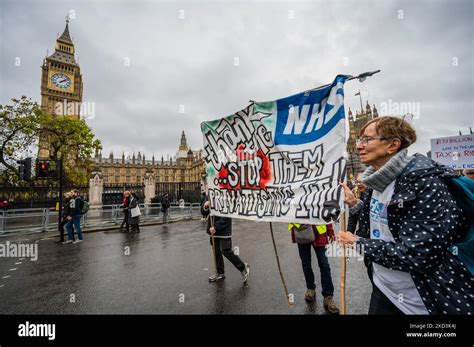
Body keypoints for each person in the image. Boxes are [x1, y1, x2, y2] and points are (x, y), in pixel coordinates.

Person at [338, 116, 472, 314]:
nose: (358, 146)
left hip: (421, 299)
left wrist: (359, 243)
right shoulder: (375, 180)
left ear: (392, 145)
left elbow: (417, 255)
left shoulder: (424, 183)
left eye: (366, 140)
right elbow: (380, 220)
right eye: (359, 140)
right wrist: (356, 205)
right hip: (383, 290)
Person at [289, 223, 340, 314]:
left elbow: (326, 211)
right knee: (306, 264)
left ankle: (328, 296)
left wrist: (330, 231)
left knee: (324, 265)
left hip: (319, 234)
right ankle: (310, 288)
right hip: (302, 232)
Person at [201, 200, 250, 283]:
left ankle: (243, 267)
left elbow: (226, 217)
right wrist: (205, 206)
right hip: (213, 230)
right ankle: (220, 273)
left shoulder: (225, 196)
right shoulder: (210, 194)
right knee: (216, 251)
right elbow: (204, 213)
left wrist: (216, 227)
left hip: (224, 230)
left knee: (226, 251)